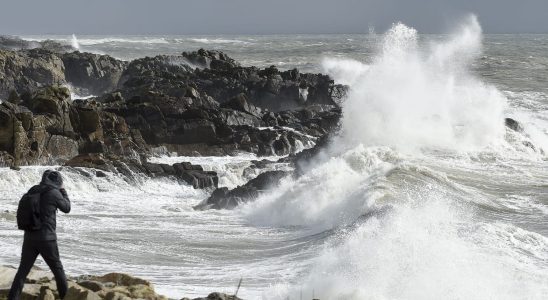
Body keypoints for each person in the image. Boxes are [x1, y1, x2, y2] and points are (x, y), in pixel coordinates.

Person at [8, 170, 71, 300]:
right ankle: (66, 296)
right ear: (57, 182)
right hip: (47, 239)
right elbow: (67, 208)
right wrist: (63, 191)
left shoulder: (33, 190)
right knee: (58, 269)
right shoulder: (54, 193)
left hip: (29, 238)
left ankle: (13, 298)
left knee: (22, 271)